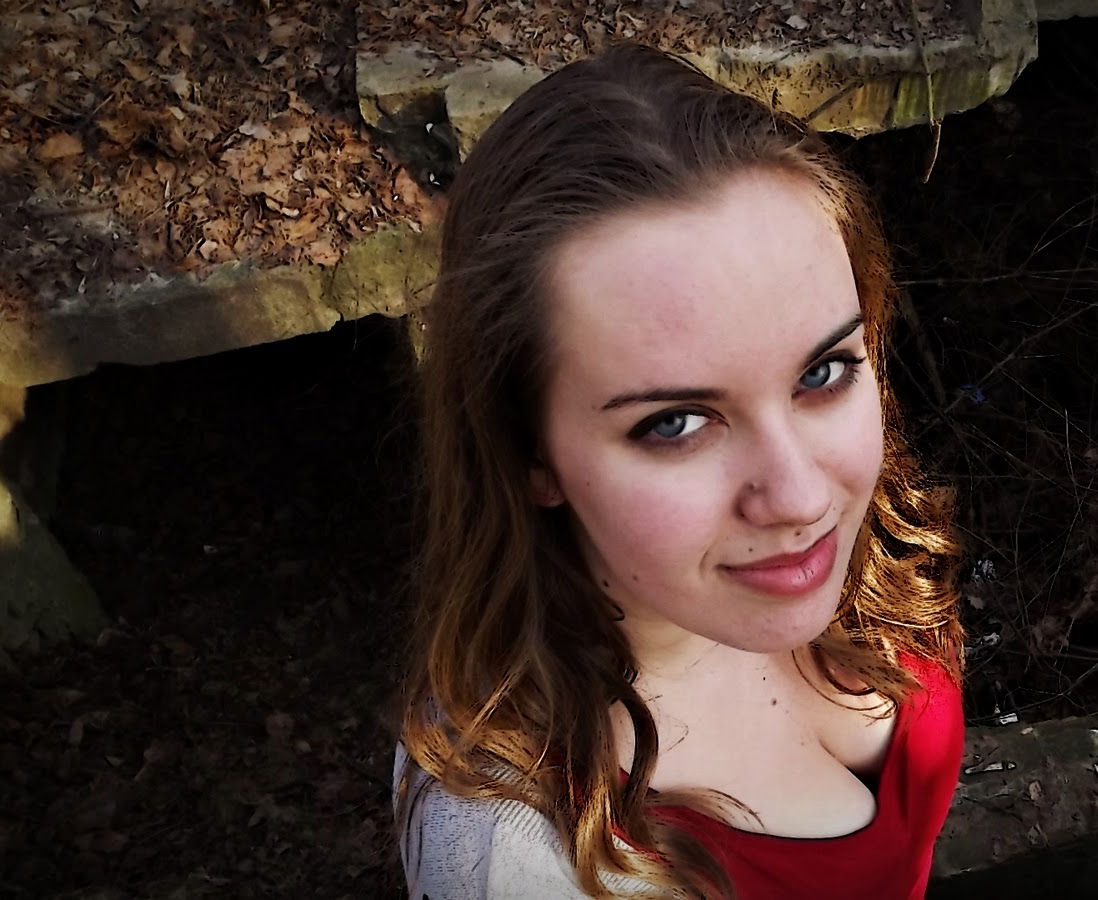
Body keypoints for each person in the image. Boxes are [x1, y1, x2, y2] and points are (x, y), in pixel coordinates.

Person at [393, 44, 966, 900]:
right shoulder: (530, 860)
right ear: (528, 454)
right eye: (675, 424)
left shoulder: (855, 554)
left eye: (822, 372)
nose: (803, 498)